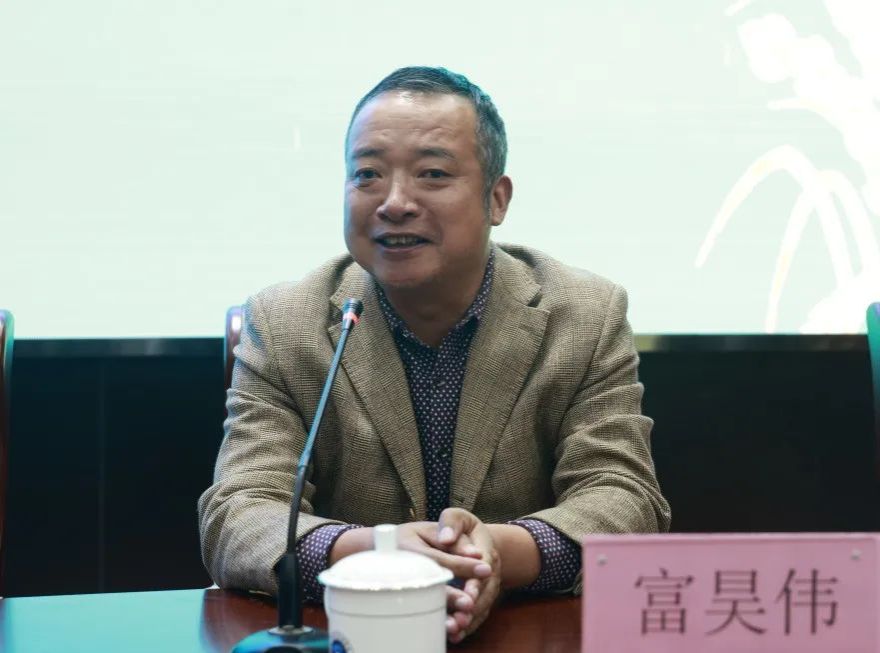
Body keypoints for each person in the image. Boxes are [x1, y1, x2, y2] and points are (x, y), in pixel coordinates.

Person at [198, 66, 670, 642]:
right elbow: (239, 514)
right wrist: (376, 553)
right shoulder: (286, 321)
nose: (395, 203)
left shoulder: (583, 314)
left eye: (433, 174)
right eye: (367, 174)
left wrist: (499, 553)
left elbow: (624, 499)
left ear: (496, 199)